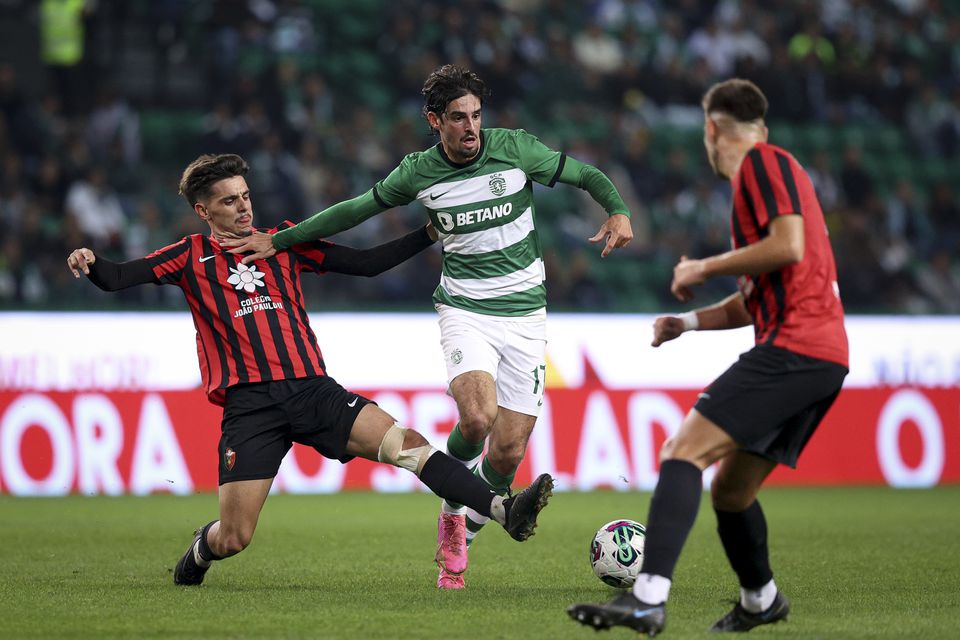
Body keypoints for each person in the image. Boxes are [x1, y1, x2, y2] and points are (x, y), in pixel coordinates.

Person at [221, 64, 634, 589]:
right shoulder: (417, 172)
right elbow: (352, 212)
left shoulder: (516, 148)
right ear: (434, 121)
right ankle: (453, 505)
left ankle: (460, 520)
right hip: (466, 310)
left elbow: (587, 175)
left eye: (477, 116)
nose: (470, 128)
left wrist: (617, 209)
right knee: (478, 419)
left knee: (507, 453)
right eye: (458, 118)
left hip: (527, 315)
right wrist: (279, 241)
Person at [65, 153, 554, 587]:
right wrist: (90, 260)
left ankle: (502, 510)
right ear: (203, 211)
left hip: (313, 392)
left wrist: (428, 233)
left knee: (409, 445)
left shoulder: (283, 242)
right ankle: (201, 547)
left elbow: (365, 264)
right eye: (230, 201)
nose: (243, 207)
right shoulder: (189, 256)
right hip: (251, 408)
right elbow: (118, 278)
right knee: (234, 537)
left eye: (245, 196)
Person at [568, 78, 848, 635]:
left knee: (682, 451)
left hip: (795, 347)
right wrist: (688, 323)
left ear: (712, 129)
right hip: (822, 358)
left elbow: (788, 246)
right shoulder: (771, 181)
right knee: (732, 492)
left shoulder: (761, 165)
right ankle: (761, 598)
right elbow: (754, 298)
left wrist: (702, 267)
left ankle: (647, 599)